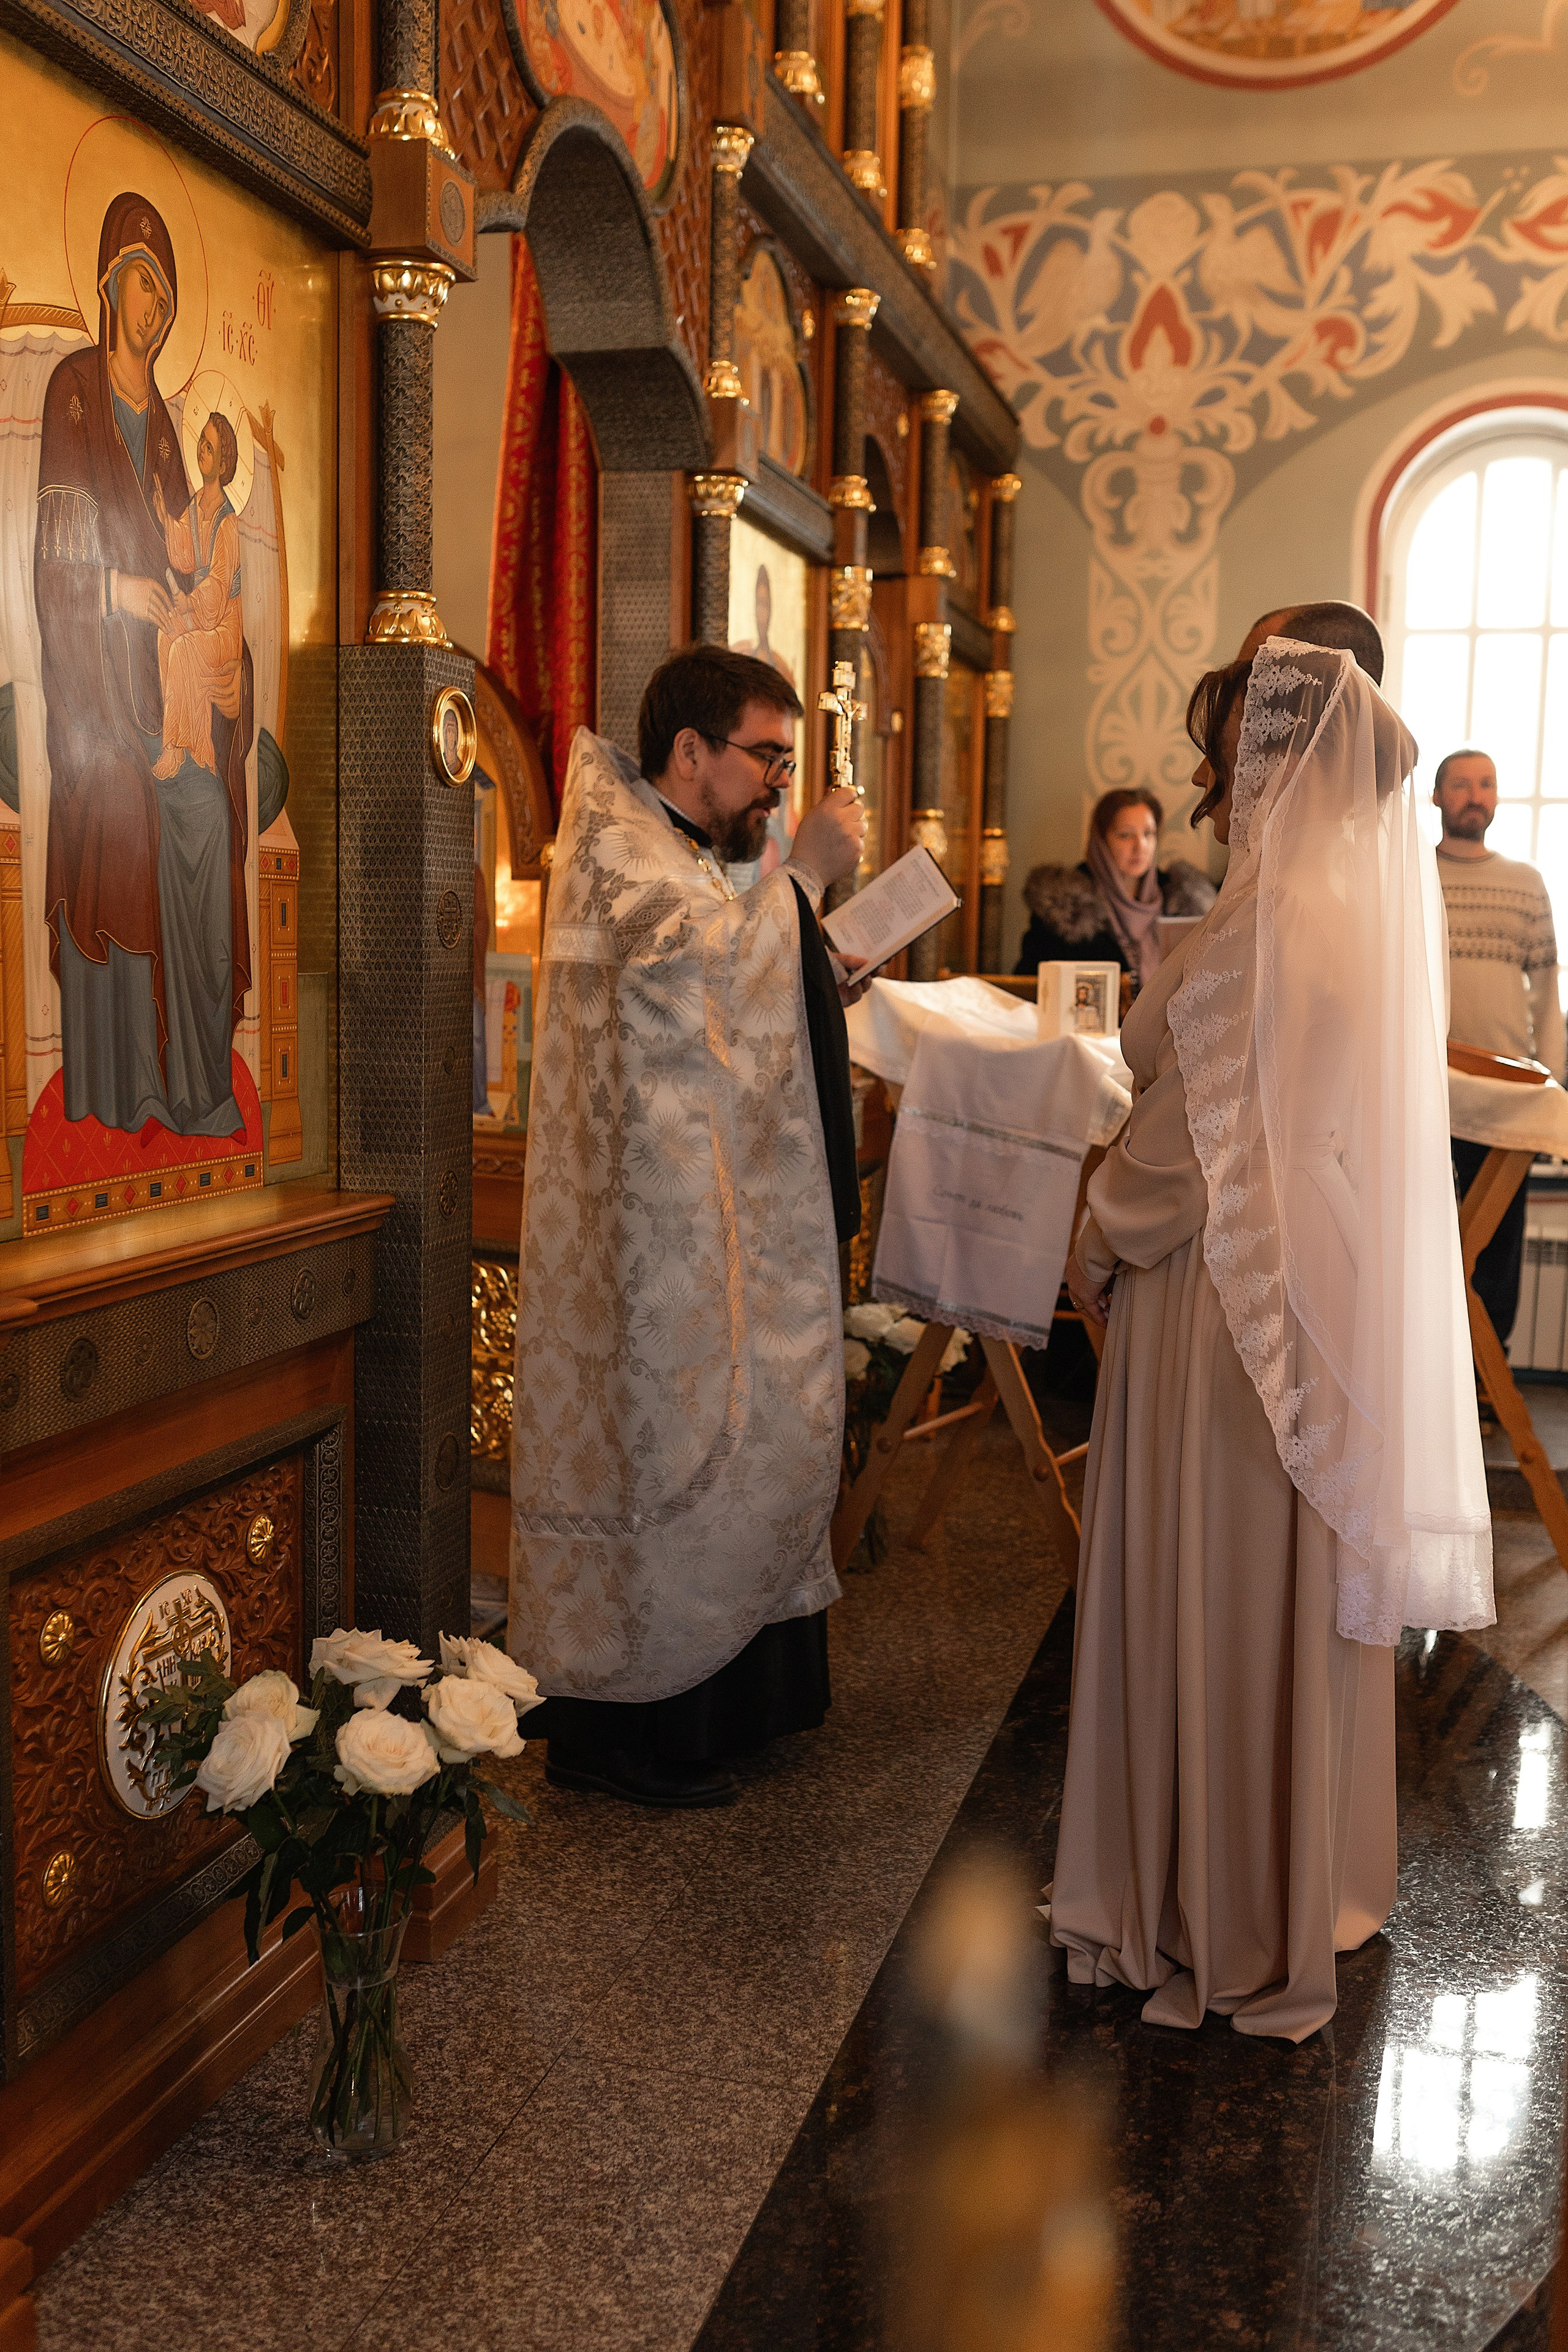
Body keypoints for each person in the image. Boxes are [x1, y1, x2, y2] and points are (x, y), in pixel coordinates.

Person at [1054, 633, 1493, 2041]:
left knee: (1219, 1569)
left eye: (1226, 752)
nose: (1210, 783)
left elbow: (1192, 1143)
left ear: (1272, 761)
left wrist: (1092, 1230)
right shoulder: (1347, 912)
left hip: (1225, 1288)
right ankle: (1291, 1874)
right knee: (1283, 1585)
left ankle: (1212, 1901)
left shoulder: (1256, 923)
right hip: (1321, 1266)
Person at [508, 646, 870, 1808]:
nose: (778, 781)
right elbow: (691, 967)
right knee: (662, 1459)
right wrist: (804, 882)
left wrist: (813, 968)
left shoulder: (689, 855)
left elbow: (722, 1000)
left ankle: (734, 1709)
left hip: (707, 1225)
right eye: (767, 757)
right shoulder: (618, 851)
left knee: (736, 1442)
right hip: (645, 1250)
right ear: (690, 751)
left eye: (786, 761)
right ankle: (623, 1734)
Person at [37, 193, 252, 1139]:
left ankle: (200, 1083)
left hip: (164, 688)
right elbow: (52, 569)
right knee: (130, 809)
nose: (154, 305)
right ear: (108, 282)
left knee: (208, 809)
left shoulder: (165, 426)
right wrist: (117, 592)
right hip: (94, 692)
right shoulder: (74, 394)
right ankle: (132, 1087)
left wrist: (226, 665)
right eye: (142, 282)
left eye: (165, 291)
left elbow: (195, 565)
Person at [1433, 745, 1564, 1357]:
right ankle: (1425, 1366)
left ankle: (1488, 1374)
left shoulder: (1526, 883)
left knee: (1497, 1241)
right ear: (1437, 796)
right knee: (1425, 1230)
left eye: (1485, 784)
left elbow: (1546, 991)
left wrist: (1551, 1084)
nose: (1474, 796)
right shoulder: (1411, 876)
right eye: (1461, 784)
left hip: (1507, 1094)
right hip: (1425, 1088)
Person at [1015, 786, 1215, 989]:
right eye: (1125, 835)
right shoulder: (1064, 907)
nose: (1140, 846)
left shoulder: (1182, 903)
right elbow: (1031, 987)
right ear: (1101, 840)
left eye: (1148, 834)